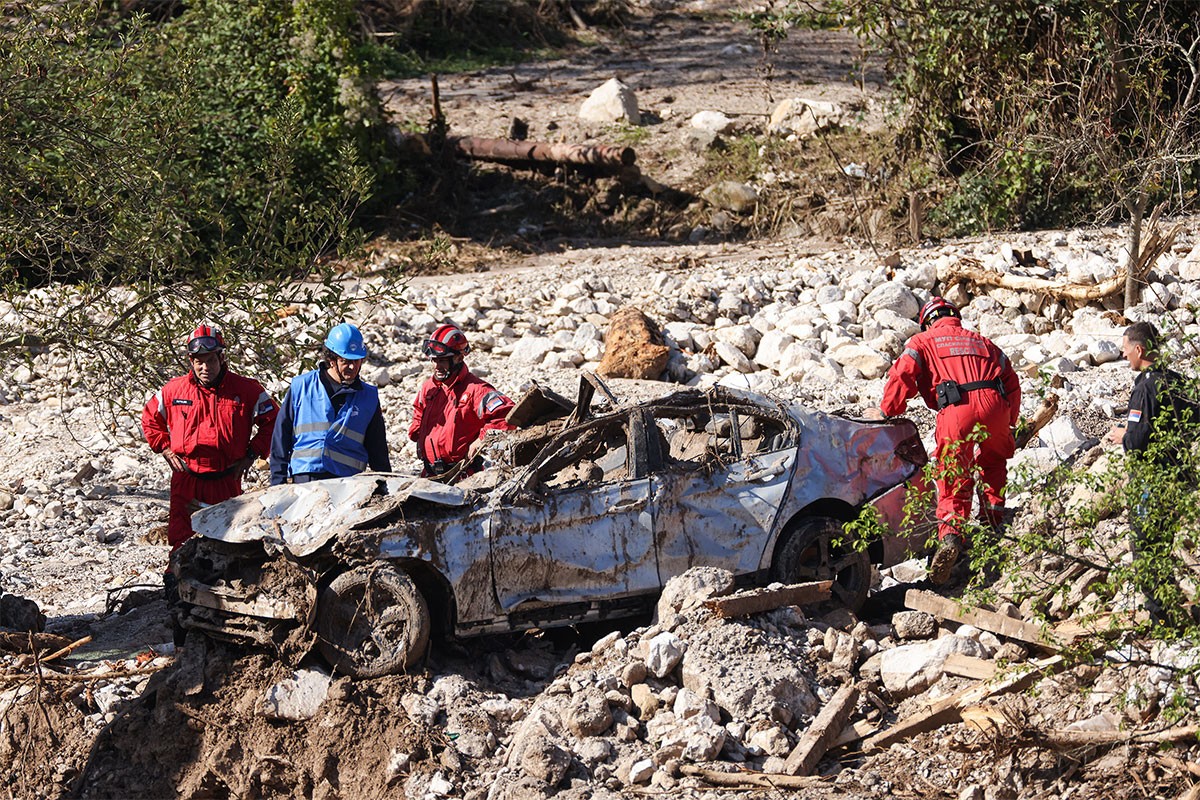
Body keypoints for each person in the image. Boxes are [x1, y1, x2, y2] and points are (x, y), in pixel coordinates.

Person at [142, 324, 279, 645]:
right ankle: (179, 619)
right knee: (181, 545)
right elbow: (150, 418)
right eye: (198, 360)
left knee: (226, 544)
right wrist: (163, 445)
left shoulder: (246, 390)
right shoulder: (173, 392)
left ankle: (223, 621)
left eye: (210, 359)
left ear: (221, 357)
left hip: (226, 483)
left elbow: (275, 420)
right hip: (186, 482)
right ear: (190, 361)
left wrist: (253, 452)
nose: (205, 366)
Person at [879, 297, 1021, 585]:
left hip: (956, 410)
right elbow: (1012, 381)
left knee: (953, 472)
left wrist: (887, 411)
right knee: (993, 462)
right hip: (996, 406)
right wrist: (1010, 422)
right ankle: (992, 523)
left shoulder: (922, 341)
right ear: (956, 316)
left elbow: (902, 374)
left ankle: (951, 535)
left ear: (928, 321)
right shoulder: (983, 341)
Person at [1105, 321, 1198, 623]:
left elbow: (1139, 440)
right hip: (1181, 479)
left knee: (1147, 551)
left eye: (1125, 351)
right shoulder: (1178, 381)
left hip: (1153, 482)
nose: (1123, 356)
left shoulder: (1145, 388)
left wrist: (1123, 435)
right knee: (1169, 547)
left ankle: (1163, 620)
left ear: (1139, 349)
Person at [270, 322, 391, 485]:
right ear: (331, 359)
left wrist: (386, 485)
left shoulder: (368, 396)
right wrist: (278, 482)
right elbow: (281, 438)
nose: (352, 367)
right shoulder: (301, 387)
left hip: (347, 481)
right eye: (346, 360)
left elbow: (378, 449)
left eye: (357, 361)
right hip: (307, 477)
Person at [409, 323, 515, 478]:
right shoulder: (429, 388)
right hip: (430, 474)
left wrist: (482, 439)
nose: (436, 366)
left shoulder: (476, 390)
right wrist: (418, 434)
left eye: (442, 360)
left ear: (459, 357)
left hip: (463, 476)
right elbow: (419, 412)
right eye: (433, 360)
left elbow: (507, 415)